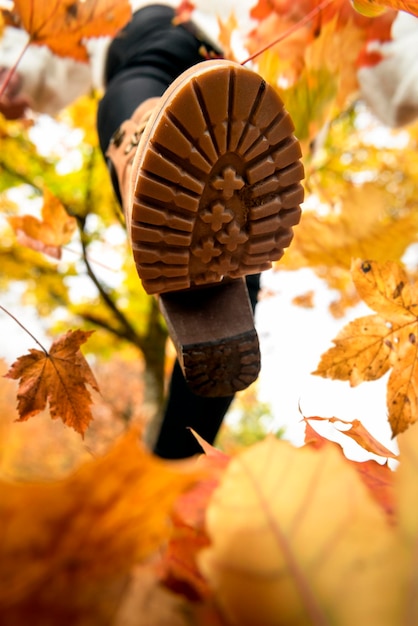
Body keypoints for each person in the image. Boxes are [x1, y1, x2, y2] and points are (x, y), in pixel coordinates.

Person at [0, 2, 305, 458]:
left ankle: (142, 151)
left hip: (196, 61)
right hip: (212, 53)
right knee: (235, 276)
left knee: (229, 284)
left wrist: (19, 68)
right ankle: (177, 461)